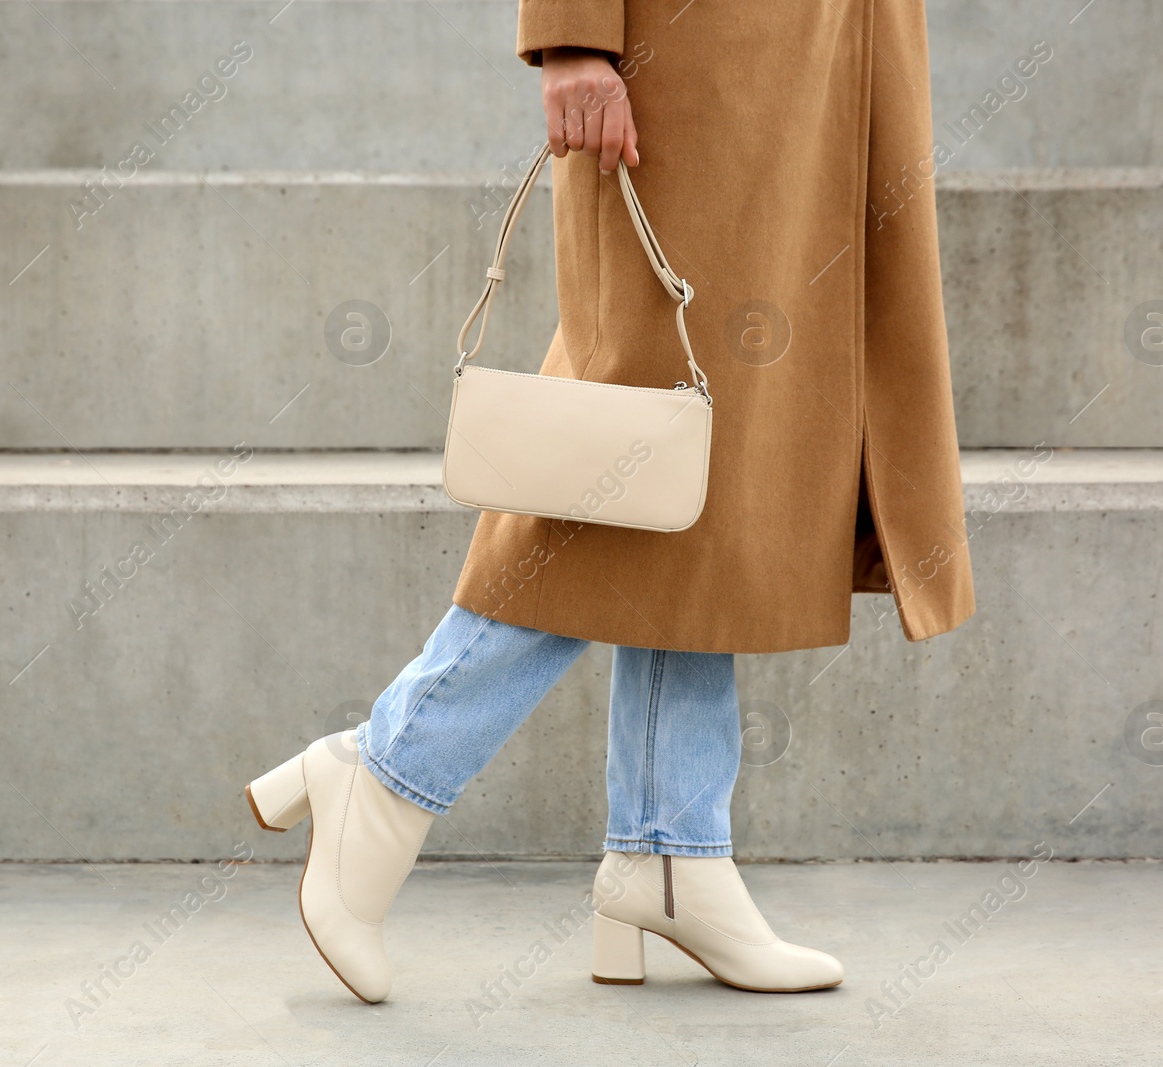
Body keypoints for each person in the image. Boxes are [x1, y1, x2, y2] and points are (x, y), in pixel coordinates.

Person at [246, 0, 974, 1004]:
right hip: (697, 65)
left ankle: (672, 852)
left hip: (828, 65)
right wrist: (573, 35)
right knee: (625, 461)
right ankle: (386, 771)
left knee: (710, 472)